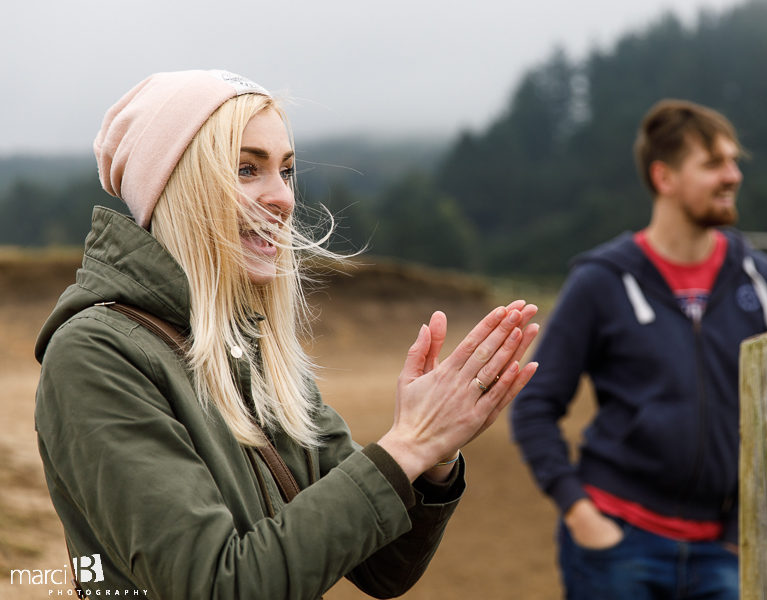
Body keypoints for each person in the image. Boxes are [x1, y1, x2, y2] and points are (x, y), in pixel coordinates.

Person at [34, 69, 539, 599]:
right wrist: (407, 444)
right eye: (247, 168)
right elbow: (216, 586)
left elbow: (385, 568)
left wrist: (434, 457)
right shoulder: (95, 355)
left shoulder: (247, 345)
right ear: (177, 188)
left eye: (287, 171)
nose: (283, 198)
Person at [510, 99, 767, 599]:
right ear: (664, 178)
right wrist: (580, 513)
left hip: (724, 555)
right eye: (713, 164)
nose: (733, 175)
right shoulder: (600, 281)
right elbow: (534, 403)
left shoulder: (766, 283)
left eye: (733, 161)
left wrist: (737, 536)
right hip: (618, 547)